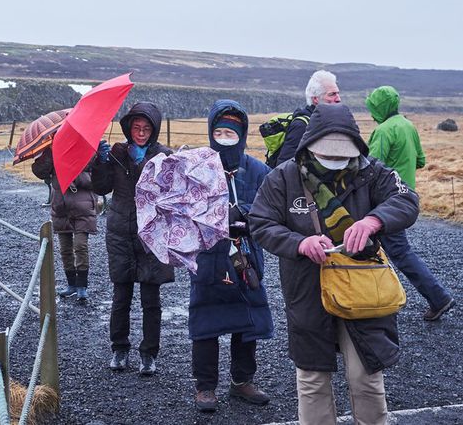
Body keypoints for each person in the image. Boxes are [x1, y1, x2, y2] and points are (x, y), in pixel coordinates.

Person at [249, 104, 419, 425]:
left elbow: (407, 199)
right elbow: (260, 222)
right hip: (307, 290)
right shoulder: (283, 177)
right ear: (309, 144)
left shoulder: (372, 172)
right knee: (312, 379)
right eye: (329, 154)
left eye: (342, 155)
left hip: (364, 291)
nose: (336, 160)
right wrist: (299, 243)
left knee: (366, 376)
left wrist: (373, 220)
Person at [190, 100, 274, 413]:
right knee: (206, 319)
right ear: (211, 133)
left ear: (242, 134)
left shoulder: (257, 170)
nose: (225, 136)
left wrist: (246, 216)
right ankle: (205, 387)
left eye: (231, 132)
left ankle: (242, 382)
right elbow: (183, 208)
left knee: (247, 318)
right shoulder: (197, 166)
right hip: (208, 258)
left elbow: (271, 210)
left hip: (246, 258)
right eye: (220, 131)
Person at [92, 102, 173, 376]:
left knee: (151, 299)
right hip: (120, 232)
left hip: (152, 234)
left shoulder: (164, 156)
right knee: (121, 296)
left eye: (146, 128)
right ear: (128, 128)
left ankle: (149, 354)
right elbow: (102, 187)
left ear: (154, 129)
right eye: (136, 128)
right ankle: (119, 349)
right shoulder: (116, 153)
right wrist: (100, 161)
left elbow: (173, 193)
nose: (141, 133)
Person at [366, 85, 455, 320]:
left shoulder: (383, 131)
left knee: (396, 251)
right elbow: (421, 161)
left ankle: (438, 297)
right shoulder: (408, 125)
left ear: (378, 107)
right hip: (406, 199)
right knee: (381, 249)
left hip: (385, 202)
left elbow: (370, 169)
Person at [32, 148, 98, 301]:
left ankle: (82, 286)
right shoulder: (54, 150)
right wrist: (48, 156)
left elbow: (96, 180)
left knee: (80, 246)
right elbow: (41, 172)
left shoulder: (88, 150)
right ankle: (72, 284)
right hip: (61, 207)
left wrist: (74, 177)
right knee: (65, 249)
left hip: (83, 207)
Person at [276, 70, 341, 166]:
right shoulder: (302, 125)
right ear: (315, 99)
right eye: (332, 94)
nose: (338, 99)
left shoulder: (330, 122)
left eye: (338, 93)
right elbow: (283, 166)